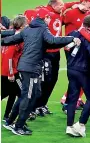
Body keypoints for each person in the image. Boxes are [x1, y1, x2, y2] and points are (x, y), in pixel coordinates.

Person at [1, 8, 80, 136]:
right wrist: (71, 38)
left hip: (28, 67)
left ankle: (10, 121)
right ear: (46, 18)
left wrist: (2, 39)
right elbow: (53, 41)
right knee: (28, 96)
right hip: (31, 68)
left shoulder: (29, 29)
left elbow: (14, 38)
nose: (50, 20)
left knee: (32, 93)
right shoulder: (43, 29)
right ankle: (18, 125)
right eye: (49, 18)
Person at [1, 15, 26, 121]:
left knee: (11, 93)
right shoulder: (16, 39)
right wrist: (11, 73)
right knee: (22, 93)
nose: (27, 26)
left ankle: (7, 116)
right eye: (26, 24)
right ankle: (13, 118)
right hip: (10, 72)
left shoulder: (10, 36)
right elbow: (9, 57)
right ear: (21, 26)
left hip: (5, 70)